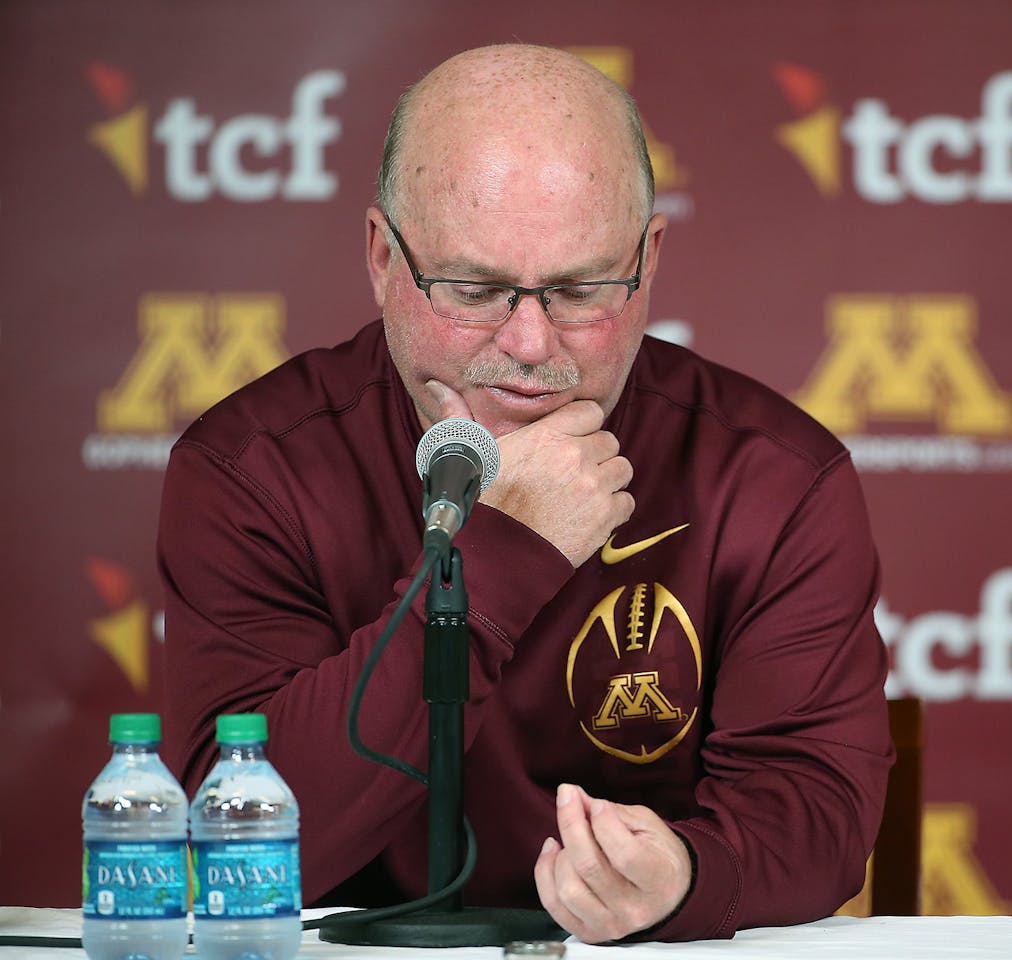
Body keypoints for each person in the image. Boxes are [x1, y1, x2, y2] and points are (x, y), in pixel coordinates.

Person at [160, 44, 892, 944]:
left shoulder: (772, 477)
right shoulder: (254, 470)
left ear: (649, 259)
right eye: (474, 289)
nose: (533, 344)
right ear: (383, 257)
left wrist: (689, 875)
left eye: (583, 289)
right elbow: (240, 845)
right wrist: (504, 557)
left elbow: (817, 806)